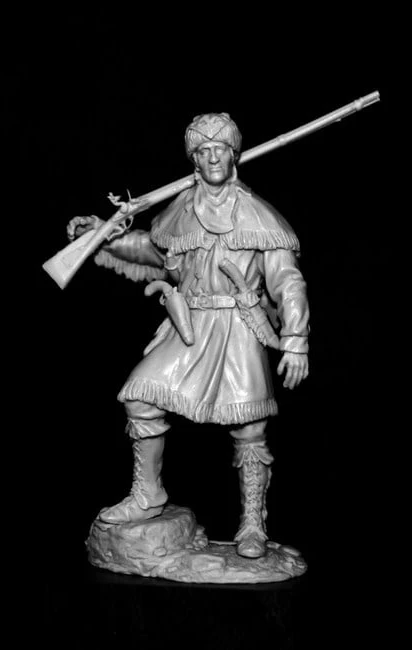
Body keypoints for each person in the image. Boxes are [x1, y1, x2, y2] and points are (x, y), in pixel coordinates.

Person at [67, 113, 309, 559]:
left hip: (238, 325)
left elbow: (286, 280)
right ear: (194, 159)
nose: (213, 158)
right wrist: (103, 235)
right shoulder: (182, 207)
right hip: (190, 324)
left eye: (221, 149)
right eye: (203, 150)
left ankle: (252, 524)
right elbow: (153, 249)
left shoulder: (259, 215)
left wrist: (295, 338)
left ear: (234, 155)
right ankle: (148, 495)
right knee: (140, 395)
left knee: (250, 426)